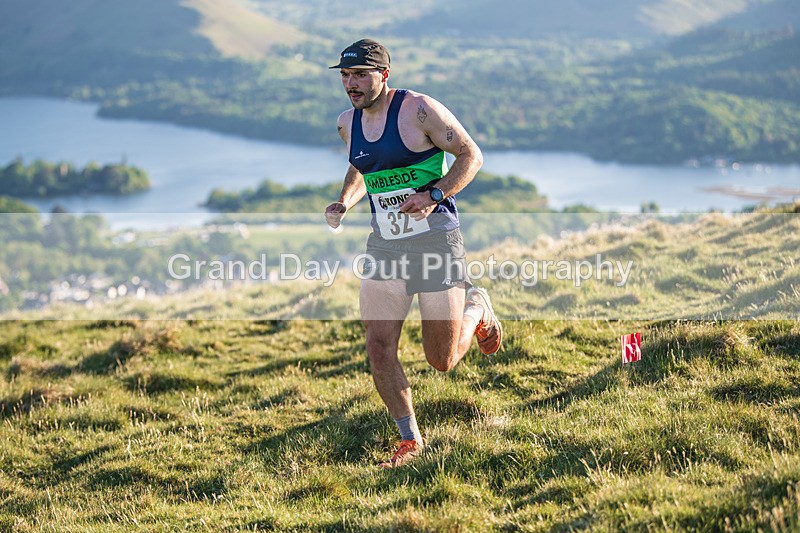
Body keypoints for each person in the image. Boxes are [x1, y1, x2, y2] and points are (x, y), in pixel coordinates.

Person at [324, 38, 503, 468]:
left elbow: (470, 155)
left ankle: (476, 307)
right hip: (386, 243)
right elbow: (361, 166)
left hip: (435, 240)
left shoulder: (418, 110)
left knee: (440, 360)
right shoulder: (347, 122)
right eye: (346, 75)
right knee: (379, 346)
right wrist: (345, 201)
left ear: (383, 75)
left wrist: (434, 194)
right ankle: (411, 439)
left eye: (361, 75)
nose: (351, 83)